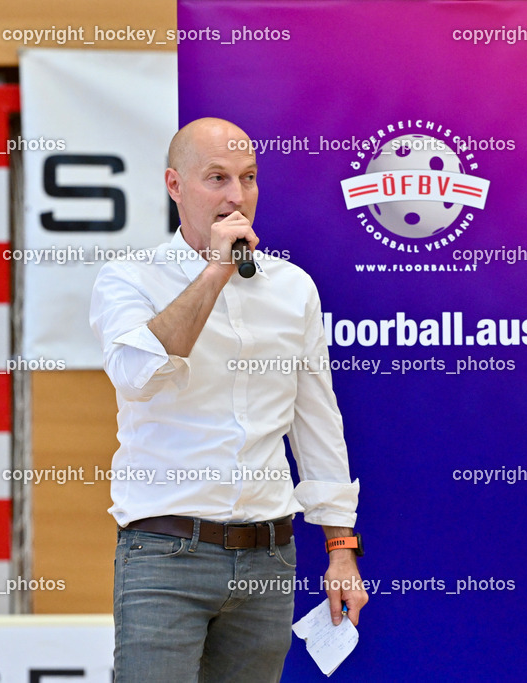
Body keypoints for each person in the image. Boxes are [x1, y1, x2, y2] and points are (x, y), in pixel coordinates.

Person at [90, 117, 367, 682]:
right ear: (174, 186)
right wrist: (217, 270)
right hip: (165, 554)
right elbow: (139, 373)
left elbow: (316, 423)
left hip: (268, 558)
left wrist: (341, 548)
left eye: (248, 178)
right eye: (216, 178)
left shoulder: (294, 289)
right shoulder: (129, 279)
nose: (236, 197)